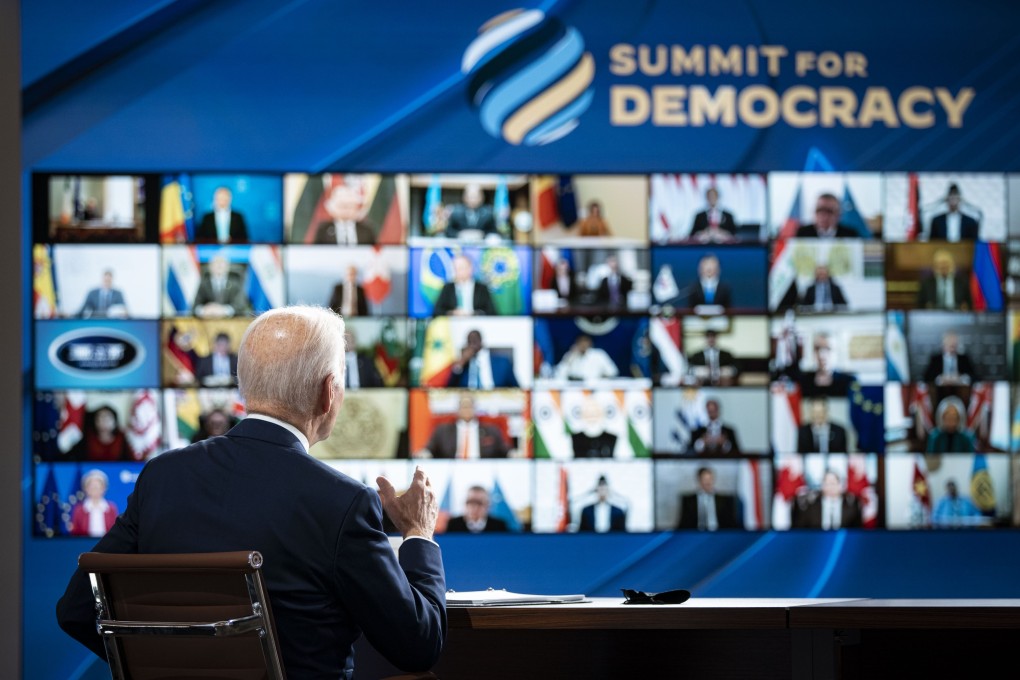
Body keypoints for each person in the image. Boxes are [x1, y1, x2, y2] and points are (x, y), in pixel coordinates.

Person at [56, 304, 447, 678]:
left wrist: (149, 663)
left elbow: (76, 608)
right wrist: (419, 534)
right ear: (329, 393)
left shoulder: (161, 477)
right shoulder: (343, 503)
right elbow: (417, 644)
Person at [416, 393, 510, 459]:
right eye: (464, 406)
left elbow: (505, 450)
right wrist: (425, 453)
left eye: (470, 405)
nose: (467, 409)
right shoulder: (442, 431)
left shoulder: (492, 431)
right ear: (458, 409)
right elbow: (429, 449)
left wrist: (512, 453)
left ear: (476, 408)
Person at [447, 329, 518, 389]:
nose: (473, 345)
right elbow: (449, 389)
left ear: (481, 341)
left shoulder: (502, 363)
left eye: (475, 341)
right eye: (470, 342)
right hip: (469, 403)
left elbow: (516, 389)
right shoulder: (463, 366)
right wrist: (461, 363)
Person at [793, 469, 863, 529]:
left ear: (840, 485)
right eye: (827, 483)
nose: (830, 487)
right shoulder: (810, 507)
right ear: (822, 486)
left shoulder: (852, 507)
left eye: (833, 483)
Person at [677, 466, 743, 530]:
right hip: (696, 536)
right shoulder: (688, 500)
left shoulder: (725, 500)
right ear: (699, 480)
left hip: (720, 535)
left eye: (710, 479)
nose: (708, 482)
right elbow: (683, 524)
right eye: (705, 479)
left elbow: (731, 524)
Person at [798, 331, 855, 398]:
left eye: (828, 349)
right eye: (817, 348)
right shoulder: (803, 382)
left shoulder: (848, 382)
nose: (821, 355)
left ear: (836, 352)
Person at [192, 254, 249, 318]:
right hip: (207, 322)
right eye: (216, 264)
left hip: (230, 323)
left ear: (228, 267)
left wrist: (224, 310)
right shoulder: (204, 284)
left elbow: (240, 306)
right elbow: (195, 307)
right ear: (210, 267)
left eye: (222, 264)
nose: (219, 266)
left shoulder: (235, 284)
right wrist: (204, 310)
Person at [69, 469, 119, 537]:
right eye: (92, 487)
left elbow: (116, 531)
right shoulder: (79, 509)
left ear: (104, 489)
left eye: (97, 487)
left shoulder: (111, 508)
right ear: (86, 489)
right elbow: (76, 532)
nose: (95, 490)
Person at [553, 333, 619, 382]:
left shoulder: (598, 354)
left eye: (585, 341)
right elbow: (558, 375)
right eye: (580, 341)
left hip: (595, 389)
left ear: (590, 343)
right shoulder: (570, 355)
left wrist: (599, 379)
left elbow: (613, 372)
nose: (583, 344)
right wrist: (570, 357)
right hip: (575, 390)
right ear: (576, 343)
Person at [570, 393, 618, 458]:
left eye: (595, 411)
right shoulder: (576, 438)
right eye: (588, 411)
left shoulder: (611, 438)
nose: (592, 415)